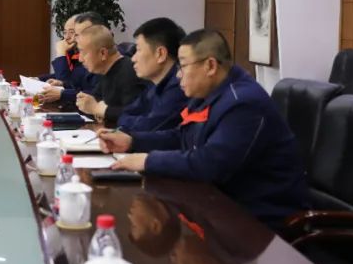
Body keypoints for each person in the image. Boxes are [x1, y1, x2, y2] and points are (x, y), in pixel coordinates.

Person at [101, 29, 306, 225]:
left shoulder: (243, 103)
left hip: (259, 219)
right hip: (220, 205)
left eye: (183, 65)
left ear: (210, 66)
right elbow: (182, 137)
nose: (178, 75)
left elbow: (211, 164)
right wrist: (132, 141)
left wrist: (148, 161)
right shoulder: (209, 93)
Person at [46, 25, 144, 122]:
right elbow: (94, 99)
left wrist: (97, 109)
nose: (80, 59)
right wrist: (85, 102)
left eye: (83, 52)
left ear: (103, 53)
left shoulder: (129, 72)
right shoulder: (106, 70)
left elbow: (137, 117)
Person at [116, 17, 187, 132]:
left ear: (160, 54)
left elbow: (148, 127)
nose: (133, 58)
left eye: (138, 50)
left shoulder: (179, 87)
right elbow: (126, 113)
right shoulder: (153, 84)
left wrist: (129, 121)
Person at [43, 12, 102, 94]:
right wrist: (39, 79)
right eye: (65, 32)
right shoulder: (75, 52)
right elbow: (71, 78)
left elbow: (92, 93)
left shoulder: (98, 56)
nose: (67, 37)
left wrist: (61, 54)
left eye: (72, 32)